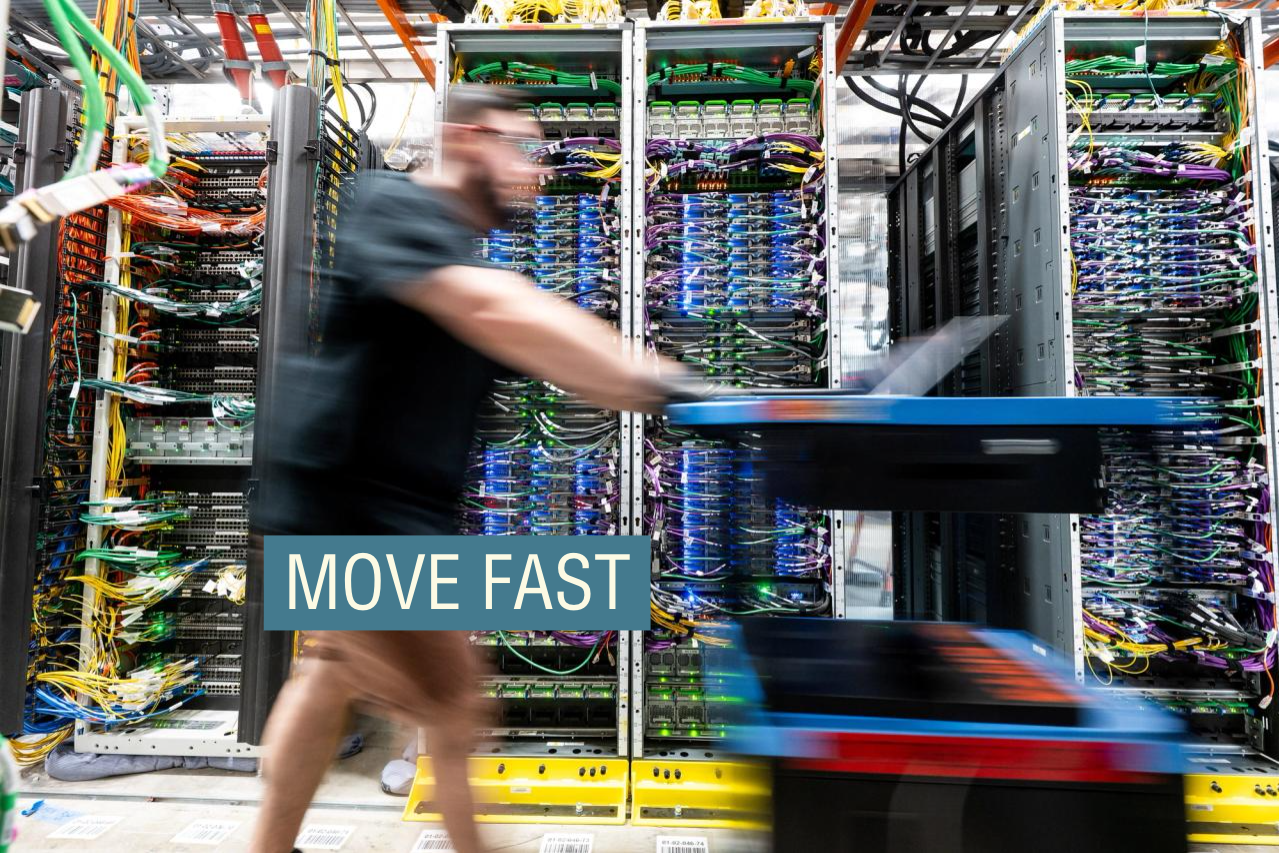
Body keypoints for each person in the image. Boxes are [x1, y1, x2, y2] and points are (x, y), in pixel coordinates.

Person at [246, 86, 684, 853]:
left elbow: (535, 343)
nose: (534, 175)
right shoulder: (392, 207)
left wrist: (650, 386)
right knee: (453, 705)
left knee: (332, 668)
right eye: (521, 150)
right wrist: (663, 381)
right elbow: (493, 308)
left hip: (369, 504)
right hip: (358, 509)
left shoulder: (452, 251)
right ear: (469, 138)